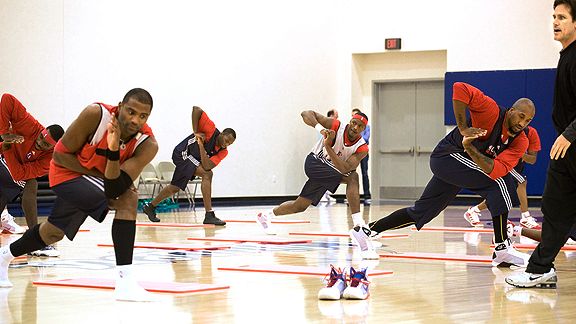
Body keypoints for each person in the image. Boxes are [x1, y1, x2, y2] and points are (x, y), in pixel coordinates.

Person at [350, 82, 536, 266]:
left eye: (527, 120)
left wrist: (470, 149)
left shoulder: (520, 142)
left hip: (464, 163)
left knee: (423, 212)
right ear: (511, 111)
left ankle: (366, 231)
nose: (522, 123)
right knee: (501, 183)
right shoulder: (491, 111)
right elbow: (460, 88)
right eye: (520, 116)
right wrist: (463, 128)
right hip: (447, 156)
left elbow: (496, 170)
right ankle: (502, 247)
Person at [0, 88, 159, 301]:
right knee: (128, 199)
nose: (135, 120)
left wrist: (112, 152)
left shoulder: (148, 144)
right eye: (131, 112)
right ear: (120, 106)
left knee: (52, 233)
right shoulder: (96, 115)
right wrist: (102, 173)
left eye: (143, 116)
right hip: (65, 173)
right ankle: (125, 281)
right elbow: (60, 156)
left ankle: (5, 256)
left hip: (95, 183)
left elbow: (114, 187)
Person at [506, 0, 576, 288]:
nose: (555, 22)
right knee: (555, 205)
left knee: (557, 206)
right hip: (566, 147)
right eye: (553, 16)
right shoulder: (567, 55)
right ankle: (540, 267)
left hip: (571, 142)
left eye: (562, 17)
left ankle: (541, 266)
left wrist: (569, 134)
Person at [256, 110, 369, 242]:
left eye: (360, 126)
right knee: (353, 177)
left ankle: (265, 216)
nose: (355, 127)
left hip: (330, 171)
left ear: (363, 129)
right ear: (350, 121)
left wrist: (328, 146)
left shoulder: (362, 148)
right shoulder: (336, 126)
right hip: (314, 163)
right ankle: (358, 223)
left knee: (299, 206)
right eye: (354, 123)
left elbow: (344, 168)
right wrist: (320, 129)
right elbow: (306, 113)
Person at [142, 106, 235, 226]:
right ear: (222, 134)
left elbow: (207, 165)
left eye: (229, 143)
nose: (226, 144)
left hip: (192, 160)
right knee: (208, 175)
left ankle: (150, 206)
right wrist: (196, 132)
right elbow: (196, 109)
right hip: (182, 153)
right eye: (226, 140)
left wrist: (201, 146)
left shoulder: (223, 151)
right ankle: (209, 214)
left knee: (175, 187)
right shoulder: (210, 129)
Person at [0, 93, 64, 257]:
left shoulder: (50, 159)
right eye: (41, 137)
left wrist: (8, 147)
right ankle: (34, 239)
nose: (39, 142)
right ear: (43, 130)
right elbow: (7, 98)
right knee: (26, 184)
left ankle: (32, 240)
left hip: (9, 164)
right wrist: (5, 133)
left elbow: (18, 173)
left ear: (53, 148)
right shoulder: (31, 125)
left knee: (27, 184)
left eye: (45, 144)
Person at [464, 126, 542, 229]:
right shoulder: (502, 128)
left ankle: (474, 211)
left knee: (504, 194)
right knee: (521, 181)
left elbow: (532, 160)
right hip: (498, 162)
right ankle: (525, 217)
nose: (520, 123)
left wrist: (520, 152)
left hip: (515, 166)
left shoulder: (531, 133)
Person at [352, 108, 371, 205]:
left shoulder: (367, 127)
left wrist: (356, 136)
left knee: (364, 173)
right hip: (353, 152)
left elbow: (366, 138)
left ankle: (367, 195)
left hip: (363, 152)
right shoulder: (351, 128)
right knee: (351, 174)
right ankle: (352, 196)